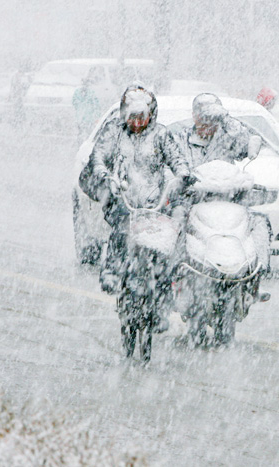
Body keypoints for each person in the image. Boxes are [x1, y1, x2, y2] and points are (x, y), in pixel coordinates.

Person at [81, 83, 189, 330]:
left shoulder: (161, 136)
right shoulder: (113, 133)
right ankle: (112, 272)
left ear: (151, 116)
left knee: (164, 252)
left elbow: (177, 161)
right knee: (121, 231)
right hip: (124, 201)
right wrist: (105, 176)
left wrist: (182, 176)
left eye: (143, 118)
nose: (138, 123)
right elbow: (98, 158)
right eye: (133, 118)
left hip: (155, 206)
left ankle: (161, 307)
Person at [179, 93, 271, 299]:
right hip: (193, 204)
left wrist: (225, 118)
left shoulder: (228, 138)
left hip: (229, 205)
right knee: (173, 224)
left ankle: (255, 280)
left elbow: (246, 142)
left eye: (213, 119)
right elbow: (174, 166)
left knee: (260, 223)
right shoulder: (181, 140)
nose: (208, 124)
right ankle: (173, 276)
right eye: (204, 118)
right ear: (194, 116)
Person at [72, 67, 103, 143]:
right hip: (87, 117)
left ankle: (82, 142)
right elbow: (96, 105)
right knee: (87, 133)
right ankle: (85, 142)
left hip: (83, 117)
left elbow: (74, 103)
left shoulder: (79, 92)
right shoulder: (90, 93)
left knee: (83, 132)